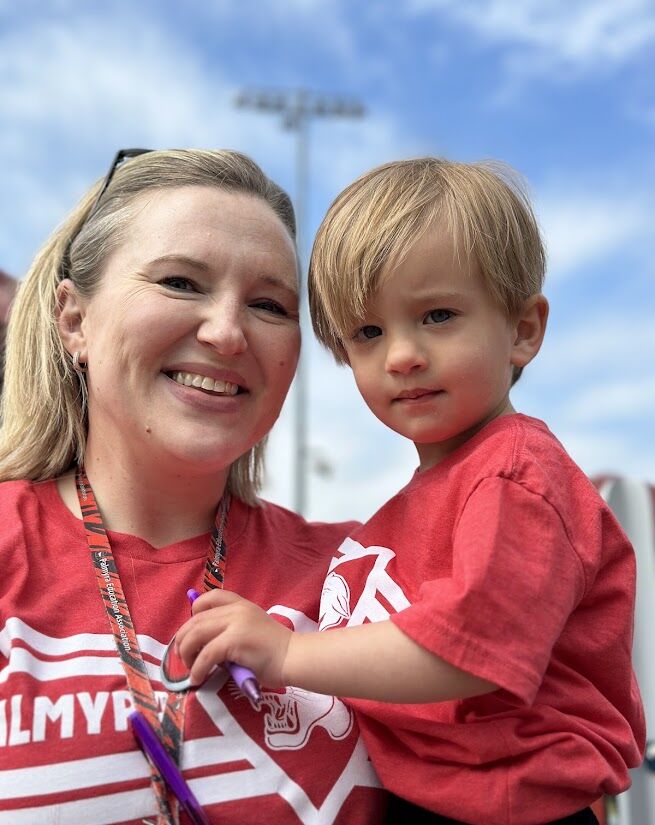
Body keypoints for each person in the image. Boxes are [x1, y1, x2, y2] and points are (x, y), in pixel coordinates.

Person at [175, 157, 645, 825]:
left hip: (507, 807)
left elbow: (465, 650)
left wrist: (285, 653)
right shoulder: (424, 496)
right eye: (368, 332)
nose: (400, 355)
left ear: (522, 329)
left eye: (437, 315)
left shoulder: (515, 473)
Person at [0, 149, 386, 824]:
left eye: (269, 304)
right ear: (74, 319)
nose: (228, 332)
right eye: (180, 282)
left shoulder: (365, 577)